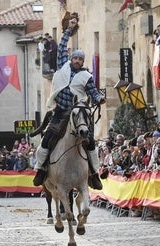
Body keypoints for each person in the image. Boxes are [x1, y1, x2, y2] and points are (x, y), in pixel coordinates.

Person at [33, 17, 106, 190]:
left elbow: (92, 92)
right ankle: (41, 169)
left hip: (78, 112)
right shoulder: (62, 65)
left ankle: (94, 174)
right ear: (71, 58)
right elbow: (62, 47)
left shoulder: (86, 76)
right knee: (47, 139)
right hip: (60, 111)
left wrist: (98, 99)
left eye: (80, 59)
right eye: (75, 58)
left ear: (82, 61)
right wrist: (69, 30)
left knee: (90, 142)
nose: (77, 61)